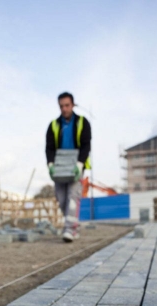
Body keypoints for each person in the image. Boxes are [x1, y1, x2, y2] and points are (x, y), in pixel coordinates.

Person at [46, 92, 91, 242]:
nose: (64, 109)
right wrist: (51, 164)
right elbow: (49, 148)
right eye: (61, 106)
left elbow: (86, 145)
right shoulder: (53, 125)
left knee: (73, 197)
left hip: (75, 164)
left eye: (67, 105)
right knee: (62, 199)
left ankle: (69, 230)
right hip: (59, 166)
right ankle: (74, 226)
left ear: (72, 105)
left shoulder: (82, 123)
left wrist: (80, 164)